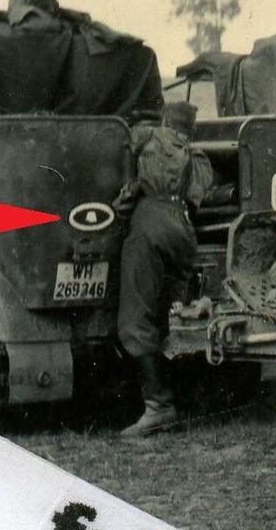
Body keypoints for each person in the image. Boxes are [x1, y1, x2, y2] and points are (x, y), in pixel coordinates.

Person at [114, 101, 214, 437]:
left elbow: (127, 148)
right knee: (176, 312)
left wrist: (128, 190)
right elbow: (196, 200)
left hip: (150, 223)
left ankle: (158, 407)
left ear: (165, 119)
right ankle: (188, 398)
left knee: (136, 315)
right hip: (183, 229)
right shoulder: (196, 157)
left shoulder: (149, 135)